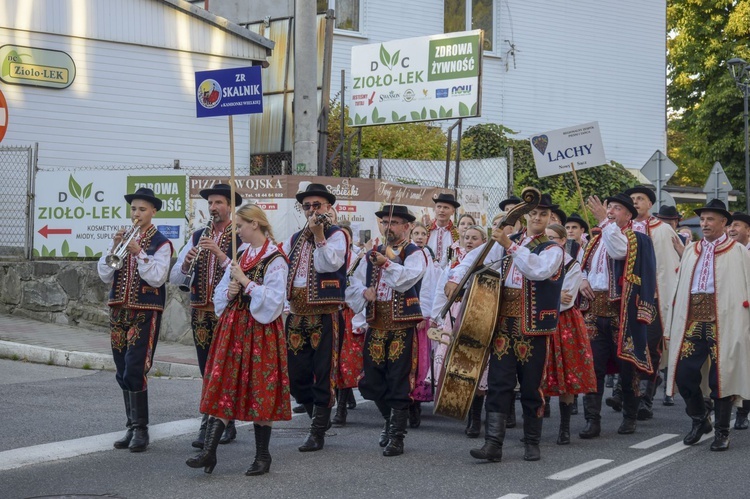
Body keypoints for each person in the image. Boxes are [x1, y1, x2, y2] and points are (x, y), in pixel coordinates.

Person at [446, 193, 565, 463]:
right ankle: (493, 444)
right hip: (503, 322)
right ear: (526, 215)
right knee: (499, 384)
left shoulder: (552, 249)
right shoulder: (509, 241)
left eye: (543, 214)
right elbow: (475, 258)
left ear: (549, 219)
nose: (537, 218)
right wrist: (455, 278)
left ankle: (532, 441)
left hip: (532, 326)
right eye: (533, 213)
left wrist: (509, 246)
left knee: (531, 386)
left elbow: (538, 270)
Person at [186, 204, 290, 475]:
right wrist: (231, 290)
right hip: (234, 328)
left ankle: (262, 457)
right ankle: (209, 452)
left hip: (261, 331)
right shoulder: (242, 253)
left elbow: (275, 301)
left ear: (255, 224)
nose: (238, 231)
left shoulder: (276, 258)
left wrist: (246, 282)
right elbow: (223, 291)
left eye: (241, 225)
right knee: (223, 383)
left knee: (260, 389)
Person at [665, 200, 750, 451]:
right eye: (702, 220)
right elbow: (680, 287)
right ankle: (700, 419)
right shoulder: (692, 249)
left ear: (724, 223)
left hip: (725, 320)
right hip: (693, 320)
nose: (704, 224)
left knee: (720, 377)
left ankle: (722, 432)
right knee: (684, 374)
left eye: (710, 219)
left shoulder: (738, 251)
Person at [347, 205, 426, 456]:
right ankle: (389, 421)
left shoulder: (414, 253)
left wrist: (387, 264)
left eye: (394, 222)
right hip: (376, 324)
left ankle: (396, 436)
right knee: (372, 381)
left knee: (398, 381)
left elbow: (407, 281)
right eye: (385, 222)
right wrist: (363, 293)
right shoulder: (372, 253)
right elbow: (353, 281)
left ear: (406, 227)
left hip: (402, 326)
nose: (388, 226)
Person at [98, 187, 172, 453]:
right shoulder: (122, 238)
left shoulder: (161, 242)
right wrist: (115, 246)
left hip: (145, 311)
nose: (137, 214)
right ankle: (131, 426)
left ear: (153, 212)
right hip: (119, 311)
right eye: (134, 209)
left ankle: (141, 429)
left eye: (142, 209)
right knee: (121, 369)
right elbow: (105, 274)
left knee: (135, 368)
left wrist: (139, 251)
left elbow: (157, 277)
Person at [578, 193, 657, 439]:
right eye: (608, 207)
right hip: (593, 309)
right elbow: (581, 267)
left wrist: (604, 221)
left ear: (628, 215)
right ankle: (592, 420)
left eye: (616, 208)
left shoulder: (635, 238)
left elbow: (620, 251)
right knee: (593, 368)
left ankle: (630, 416)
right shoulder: (596, 239)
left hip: (621, 313)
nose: (610, 211)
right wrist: (581, 281)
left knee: (627, 367)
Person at [169, 183, 242, 448]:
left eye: (218, 203)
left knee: (224, 369)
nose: (213, 208)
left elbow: (244, 271)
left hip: (227, 312)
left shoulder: (240, 236)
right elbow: (176, 277)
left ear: (230, 206)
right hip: (200, 311)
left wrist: (220, 253)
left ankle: (221, 422)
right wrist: (187, 261)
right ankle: (212, 419)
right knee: (206, 369)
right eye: (210, 203)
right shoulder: (198, 235)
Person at [282, 183, 349, 452]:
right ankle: (317, 418)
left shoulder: (337, 235)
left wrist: (319, 234)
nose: (311, 210)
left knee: (323, 373)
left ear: (328, 208)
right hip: (297, 314)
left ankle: (317, 429)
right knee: (296, 376)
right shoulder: (294, 237)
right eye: (307, 206)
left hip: (325, 313)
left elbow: (329, 264)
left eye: (316, 205)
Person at [622, 186, 681, 421]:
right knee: (626, 345)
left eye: (640, 199)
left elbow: (669, 265)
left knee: (651, 346)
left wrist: (663, 295)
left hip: (653, 298)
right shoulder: (621, 228)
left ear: (650, 204)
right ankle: (626, 394)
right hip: (626, 299)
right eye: (632, 199)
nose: (635, 202)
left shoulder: (663, 230)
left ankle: (646, 397)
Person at [430, 225, 489, 438]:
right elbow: (441, 290)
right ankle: (459, 406)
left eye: (475, 238)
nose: (469, 241)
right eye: (466, 237)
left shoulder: (489, 262)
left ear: (484, 241)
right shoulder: (455, 264)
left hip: (480, 314)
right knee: (457, 362)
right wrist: (437, 316)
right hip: (455, 313)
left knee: (477, 365)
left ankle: (476, 417)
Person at [543, 224, 597, 444]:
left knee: (568, 372)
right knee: (540, 372)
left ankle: (564, 427)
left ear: (563, 240)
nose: (548, 243)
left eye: (552, 238)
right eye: (545, 238)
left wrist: (548, 294)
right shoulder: (540, 261)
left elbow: (567, 298)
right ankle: (535, 424)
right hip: (543, 319)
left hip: (565, 322)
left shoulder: (572, 264)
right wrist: (554, 293)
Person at [331, 223, 366, 427]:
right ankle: (342, 400)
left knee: (346, 361)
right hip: (331, 311)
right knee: (332, 360)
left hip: (348, 312)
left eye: (345, 237)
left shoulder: (356, 260)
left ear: (350, 240)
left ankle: (342, 407)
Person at [408, 221, 441, 428]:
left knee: (419, 361)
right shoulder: (407, 255)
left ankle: (415, 405)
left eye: (423, 234)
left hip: (421, 315)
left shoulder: (430, 260)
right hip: (404, 316)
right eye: (416, 233)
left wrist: (423, 315)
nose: (420, 237)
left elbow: (429, 289)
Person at [724, 211, 750, 429]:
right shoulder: (724, 252)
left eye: (737, 225)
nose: (731, 229)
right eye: (729, 225)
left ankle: (743, 411)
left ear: (748, 230)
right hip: (728, 316)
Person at [426, 193, 461, 269]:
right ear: (435, 209)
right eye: (439, 207)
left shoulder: (458, 234)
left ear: (453, 211)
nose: (441, 210)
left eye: (446, 207)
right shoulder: (425, 231)